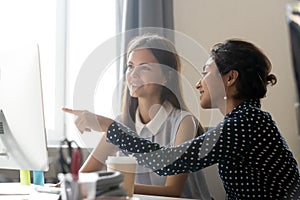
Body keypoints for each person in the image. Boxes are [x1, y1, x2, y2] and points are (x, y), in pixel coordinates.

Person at [64, 38, 300, 199]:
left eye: (205, 73)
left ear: (230, 79)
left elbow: (170, 161)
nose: (199, 83)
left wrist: (109, 127)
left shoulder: (246, 122)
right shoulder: (244, 121)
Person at [64, 34, 211, 199]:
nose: (133, 74)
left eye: (145, 67)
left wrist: (115, 187)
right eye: (130, 66)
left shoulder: (184, 122)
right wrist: (66, 186)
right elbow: (85, 174)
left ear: (166, 75)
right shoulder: (122, 123)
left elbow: (173, 190)